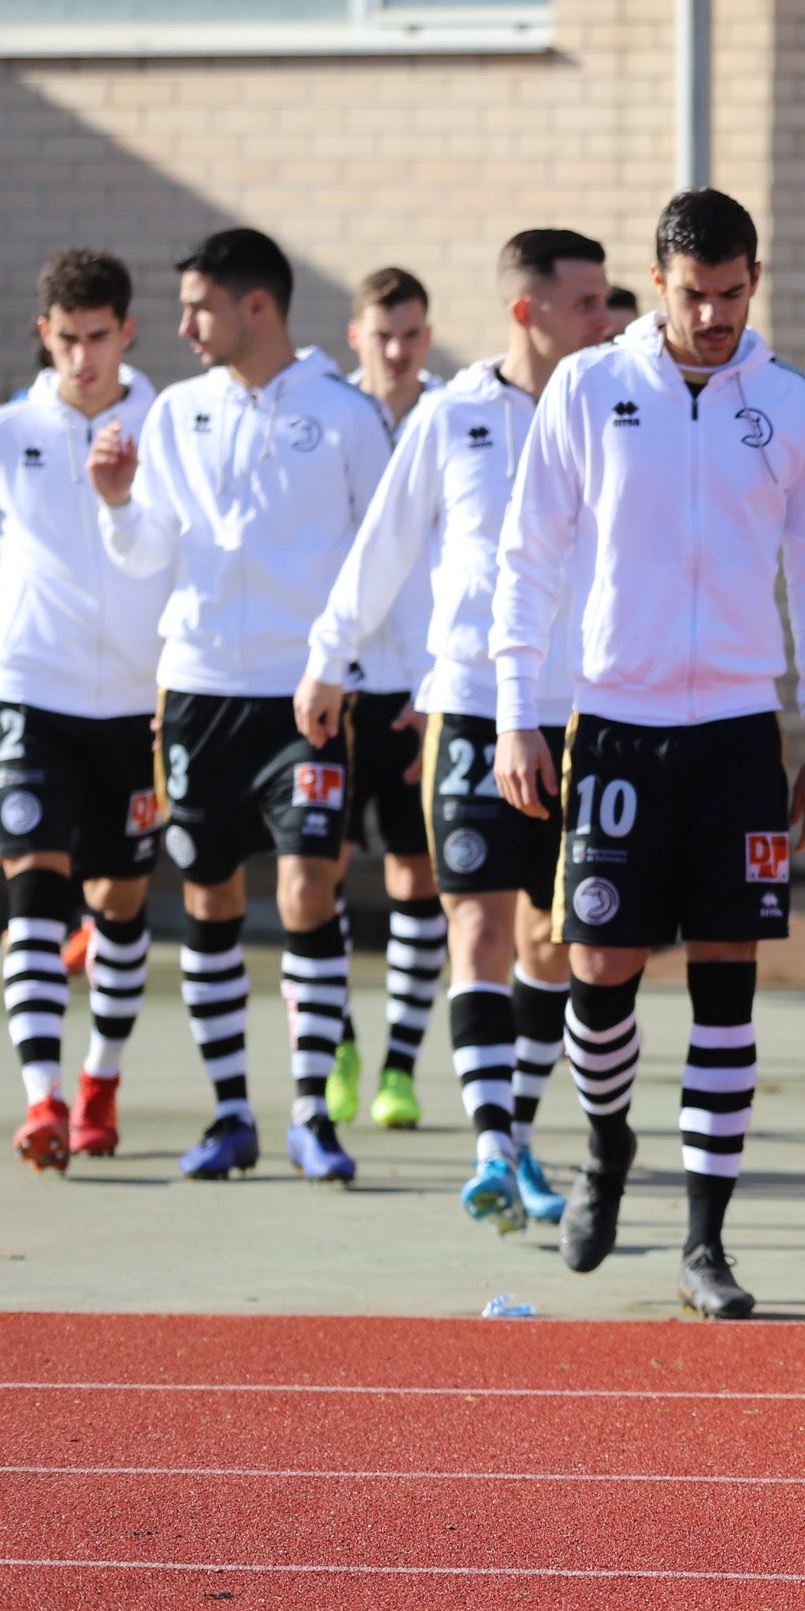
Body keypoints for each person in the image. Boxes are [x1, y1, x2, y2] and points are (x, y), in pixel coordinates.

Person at [491, 189, 805, 1320]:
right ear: (656, 284)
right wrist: (517, 708)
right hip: (613, 721)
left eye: (734, 292)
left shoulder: (793, 407)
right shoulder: (592, 388)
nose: (715, 314)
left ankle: (706, 1241)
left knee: (726, 984)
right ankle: (607, 1143)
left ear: (755, 281)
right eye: (694, 293)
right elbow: (529, 553)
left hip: (743, 732)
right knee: (597, 967)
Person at [302, 230, 614, 1231]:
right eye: (584, 303)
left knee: (552, 938)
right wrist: (328, 654)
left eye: (609, 302)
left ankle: (516, 1135)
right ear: (527, 311)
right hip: (471, 703)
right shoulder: (455, 413)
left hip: (585, 712)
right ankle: (488, 1143)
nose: (603, 322)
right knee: (471, 919)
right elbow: (385, 541)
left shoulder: (620, 406)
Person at [91, 228, 393, 1183]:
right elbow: (149, 554)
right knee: (210, 896)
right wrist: (116, 503)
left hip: (302, 697)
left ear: (255, 306)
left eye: (198, 306)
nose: (182, 326)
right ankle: (232, 1114)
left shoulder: (345, 417)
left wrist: (364, 671)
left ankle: (311, 1112)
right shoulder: (177, 414)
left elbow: (384, 560)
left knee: (309, 886)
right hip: (198, 695)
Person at [0, 250, 168, 1170]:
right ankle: (41, 1100)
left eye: (99, 338)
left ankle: (100, 1084)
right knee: (33, 889)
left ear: (127, 333)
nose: (82, 358)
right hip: (31, 691)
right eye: (67, 340)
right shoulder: (0, 436)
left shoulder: (169, 428)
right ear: (46, 335)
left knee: (117, 904)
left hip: (135, 708)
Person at [333, 266, 447, 1132]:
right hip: (336, 691)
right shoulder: (329, 418)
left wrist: (438, 678)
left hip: (422, 693)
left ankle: (400, 1068)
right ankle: (336, 1044)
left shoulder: (453, 416)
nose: (400, 352)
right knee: (316, 876)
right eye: (384, 335)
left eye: (412, 334)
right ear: (355, 336)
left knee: (418, 877)